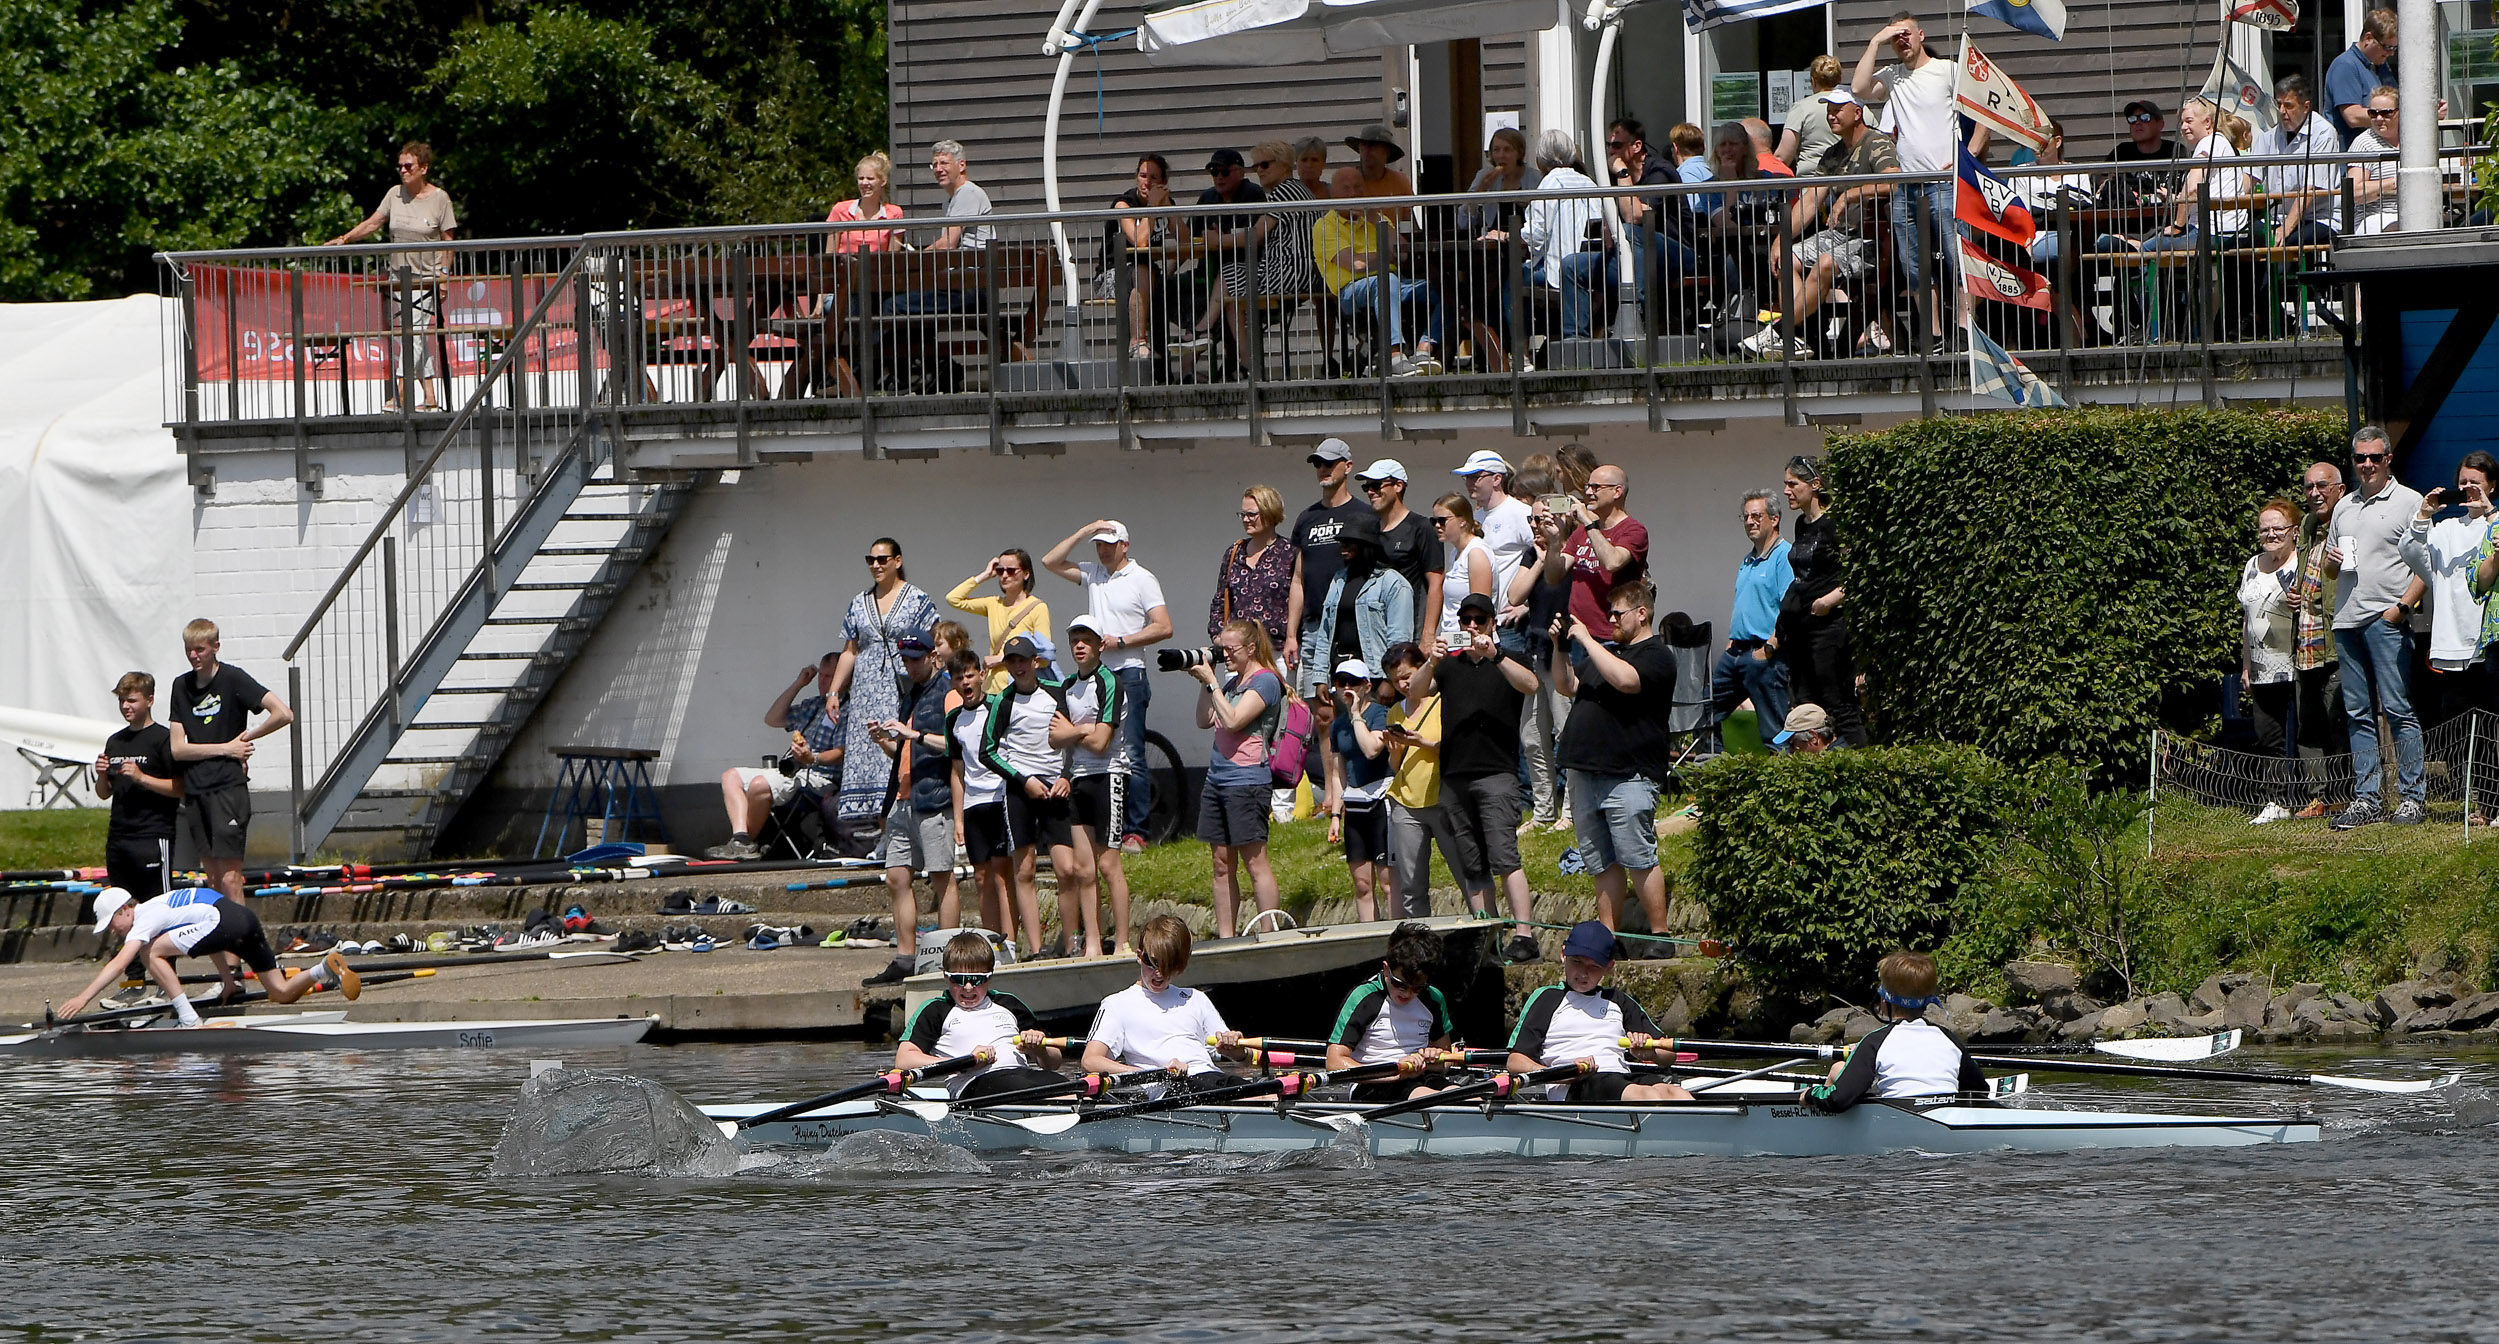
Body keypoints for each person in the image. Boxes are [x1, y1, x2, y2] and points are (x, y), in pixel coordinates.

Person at [1406, 594, 1541, 961]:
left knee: (1505, 857)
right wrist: (1431, 661)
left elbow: (1531, 685)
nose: (1471, 627)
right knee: (1472, 863)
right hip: (1454, 777)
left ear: (1492, 623)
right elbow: (1414, 693)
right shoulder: (1449, 667)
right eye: (1465, 620)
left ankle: (1524, 934)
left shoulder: (1509, 660)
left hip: (1496, 773)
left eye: (1479, 620)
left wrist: (1495, 654)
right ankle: (1487, 933)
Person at [1552, 578, 1675, 939]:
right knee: (1601, 863)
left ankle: (1660, 933)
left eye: (1618, 613)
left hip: (1628, 775)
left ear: (1641, 613)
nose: (1611, 620)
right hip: (1585, 774)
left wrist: (1587, 639)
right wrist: (1560, 647)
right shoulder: (1608, 655)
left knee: (1638, 857)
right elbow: (1567, 686)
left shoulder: (1656, 655)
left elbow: (1626, 682)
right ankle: (1608, 938)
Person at [1042, 518, 1171, 851]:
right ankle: (1107, 825)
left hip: (1128, 671)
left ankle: (1137, 831)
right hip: (1096, 675)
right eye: (1098, 545)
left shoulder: (1142, 578)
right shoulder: (1094, 573)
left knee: (1131, 751)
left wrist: (1123, 641)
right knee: (1095, 746)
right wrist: (1084, 530)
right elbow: (1050, 562)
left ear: (1124, 546)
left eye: (1108, 545)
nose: (1101, 551)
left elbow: (1163, 626)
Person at [58, 887, 358, 1026]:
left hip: (221, 923)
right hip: (243, 919)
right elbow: (212, 936)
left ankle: (189, 1020)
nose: (113, 931)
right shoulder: (163, 906)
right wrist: (228, 980)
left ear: (125, 909)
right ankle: (322, 968)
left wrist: (81, 999)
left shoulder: (145, 917)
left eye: (112, 923)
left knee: (149, 951)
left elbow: (120, 963)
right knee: (280, 993)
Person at [2324, 426, 2428, 829]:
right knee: (2357, 713)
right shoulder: (2344, 507)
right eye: (2359, 458)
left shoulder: (2409, 502)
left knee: (2398, 709)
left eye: (2374, 457)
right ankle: (2367, 798)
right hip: (2347, 619)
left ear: (2388, 460)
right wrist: (2331, 559)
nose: (2366, 465)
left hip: (2385, 620)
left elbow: (2426, 564)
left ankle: (2412, 798)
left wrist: (2400, 609)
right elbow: (2333, 570)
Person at [1753, 88, 1898, 361]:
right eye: (1828, 110)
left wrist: (1850, 194)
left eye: (1837, 109)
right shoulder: (1832, 154)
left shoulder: (1876, 143)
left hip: (1874, 240)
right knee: (1787, 258)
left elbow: (1893, 181)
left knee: (1825, 264)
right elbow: (1810, 201)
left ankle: (1780, 330)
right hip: (1840, 235)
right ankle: (1801, 338)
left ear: (1857, 113)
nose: (1831, 115)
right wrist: (1781, 238)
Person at [1855, 12, 1967, 349]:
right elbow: (1859, 88)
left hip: (1946, 182)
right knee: (1914, 264)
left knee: (1957, 257)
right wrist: (1876, 39)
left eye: (1905, 34)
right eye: (1894, 38)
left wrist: (1966, 158)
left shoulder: (1947, 69)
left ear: (1920, 34)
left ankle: (1964, 330)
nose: (1901, 41)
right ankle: (1931, 334)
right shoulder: (1892, 76)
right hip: (1907, 186)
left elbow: (1981, 113)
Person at [978, 634, 1090, 962]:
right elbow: (988, 751)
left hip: (1056, 787)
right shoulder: (1003, 700)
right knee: (1024, 870)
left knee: (1066, 868)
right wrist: (1022, 780)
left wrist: (1067, 777)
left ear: (1035, 662)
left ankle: (1071, 943)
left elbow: (1076, 738)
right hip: (1020, 791)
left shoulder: (1058, 693)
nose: (1018, 667)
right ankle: (1036, 949)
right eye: (1012, 661)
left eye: (1023, 660)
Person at [166, 619, 293, 905]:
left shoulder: (233, 679)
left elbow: (283, 713)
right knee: (211, 876)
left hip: (226, 787)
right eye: (189, 650)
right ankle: (222, 944)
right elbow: (177, 749)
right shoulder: (181, 686)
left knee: (229, 877)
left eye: (200, 649)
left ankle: (241, 940)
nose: (194, 656)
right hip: (197, 788)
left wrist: (247, 738)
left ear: (215, 648)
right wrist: (226, 748)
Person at [323, 141, 456, 412]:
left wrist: (443, 275)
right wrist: (345, 239)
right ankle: (430, 398)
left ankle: (400, 393)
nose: (403, 171)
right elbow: (374, 222)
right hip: (398, 278)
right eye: (400, 166)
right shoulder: (394, 194)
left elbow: (448, 241)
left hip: (426, 279)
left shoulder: (439, 199)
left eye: (409, 166)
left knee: (413, 333)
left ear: (424, 168)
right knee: (411, 336)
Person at [827, 538, 941, 848]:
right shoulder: (859, 601)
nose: (876, 565)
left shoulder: (917, 599)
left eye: (882, 559)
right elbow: (850, 650)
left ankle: (903, 832)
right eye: (871, 559)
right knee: (871, 751)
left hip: (901, 684)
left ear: (897, 561)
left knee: (897, 751)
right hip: (866, 688)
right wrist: (834, 691)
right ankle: (883, 834)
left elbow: (933, 643)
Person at [863, 629, 960, 986]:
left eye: (916, 658)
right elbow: (904, 750)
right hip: (903, 798)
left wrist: (913, 734)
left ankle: (951, 955)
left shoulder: (947, 692)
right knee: (897, 877)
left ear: (933, 656)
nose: (910, 665)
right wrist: (885, 741)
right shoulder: (911, 694)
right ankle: (906, 957)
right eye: (906, 659)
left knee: (940, 877)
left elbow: (954, 744)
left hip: (934, 799)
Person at [1504, 920, 1691, 1101]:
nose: (1583, 974)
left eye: (1594, 967)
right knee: (1644, 1094)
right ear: (1563, 954)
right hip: (1573, 1086)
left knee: (1673, 1092)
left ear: (1609, 967)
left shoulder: (1618, 1001)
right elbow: (1515, 1062)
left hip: (1620, 1079)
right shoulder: (1547, 998)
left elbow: (1669, 1055)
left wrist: (1651, 1053)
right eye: (1576, 962)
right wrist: (1562, 1074)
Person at [1191, 618, 1288, 938]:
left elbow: (1232, 720)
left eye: (1230, 650)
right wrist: (1208, 681)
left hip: (1247, 782)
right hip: (1217, 779)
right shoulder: (1231, 684)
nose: (1225, 655)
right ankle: (1226, 937)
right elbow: (1204, 720)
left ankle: (1270, 932)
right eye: (1221, 649)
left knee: (1254, 862)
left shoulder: (1266, 682)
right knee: (1221, 863)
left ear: (1251, 648)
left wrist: (1213, 684)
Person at [1804, 950, 1987, 1111]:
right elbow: (1980, 1090)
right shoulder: (1949, 1038)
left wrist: (1810, 1094)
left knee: (1837, 1069)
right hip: (1946, 1117)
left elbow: (1838, 1099)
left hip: (1899, 1122)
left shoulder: (1874, 1042)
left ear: (1885, 1001)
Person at [1082, 913, 1247, 1088]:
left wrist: (1238, 1051)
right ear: (1139, 956)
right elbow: (1090, 1061)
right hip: (1166, 1088)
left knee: (1268, 1093)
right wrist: (1153, 1073)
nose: (1159, 974)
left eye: (1169, 966)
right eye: (1153, 963)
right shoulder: (1117, 1004)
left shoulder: (1196, 998)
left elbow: (1244, 1060)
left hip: (1212, 1078)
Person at [708, 652, 845, 859]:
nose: (824, 681)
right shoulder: (812, 705)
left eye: (830, 677)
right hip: (793, 771)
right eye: (822, 676)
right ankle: (741, 840)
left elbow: (843, 753)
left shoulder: (847, 709)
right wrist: (799, 684)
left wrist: (813, 758)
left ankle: (744, 845)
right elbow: (772, 719)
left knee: (759, 785)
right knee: (730, 776)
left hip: (821, 776)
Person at [897, 931, 1065, 1098]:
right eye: (959, 980)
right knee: (1023, 1086)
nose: (968, 987)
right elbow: (904, 1060)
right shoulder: (936, 1010)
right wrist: (965, 1062)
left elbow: (1054, 1062)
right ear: (946, 977)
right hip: (973, 1084)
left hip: (1023, 1076)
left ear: (989, 977)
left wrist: (1040, 1050)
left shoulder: (1009, 1003)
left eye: (977, 979)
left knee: (1068, 1086)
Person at [2399, 452, 2498, 731]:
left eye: (2475, 483)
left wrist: (2489, 512)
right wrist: (2423, 516)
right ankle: (2461, 778)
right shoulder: (2446, 529)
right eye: (2463, 482)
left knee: (2491, 731)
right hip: (2454, 644)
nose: (2468, 489)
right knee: (2457, 729)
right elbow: (2410, 553)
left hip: (2490, 643)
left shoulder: (2496, 523)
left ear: (2491, 486)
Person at [1773, 455, 1866, 748]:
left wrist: (1830, 600)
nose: (1787, 490)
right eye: (1785, 484)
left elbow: (1859, 573)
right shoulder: (1802, 525)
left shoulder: (1835, 524)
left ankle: (1861, 762)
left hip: (1829, 629)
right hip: (1802, 629)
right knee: (1804, 701)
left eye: (1793, 484)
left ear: (1814, 485)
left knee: (1836, 701)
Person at [1315, 165, 1444, 376]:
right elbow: (1355, 266)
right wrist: (1385, 256)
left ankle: (1424, 350)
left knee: (1444, 289)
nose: (1353, 193)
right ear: (1333, 194)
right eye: (1346, 188)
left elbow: (1401, 254)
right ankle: (1395, 355)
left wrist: (1375, 220)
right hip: (1350, 292)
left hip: (1392, 283)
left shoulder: (1377, 218)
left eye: (1358, 187)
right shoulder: (1324, 225)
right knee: (1387, 279)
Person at [1054, 618, 1133, 955]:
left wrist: (1074, 731)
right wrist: (1079, 731)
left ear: (1100, 645)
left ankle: (1125, 941)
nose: (1080, 646)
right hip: (1079, 779)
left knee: (1107, 864)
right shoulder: (1068, 685)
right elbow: (1054, 737)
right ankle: (1092, 942)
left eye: (1087, 640)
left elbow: (1102, 742)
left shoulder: (1109, 682)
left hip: (1109, 774)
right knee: (1084, 868)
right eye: (1075, 640)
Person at [1324, 921, 1458, 1101]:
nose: (1407, 994)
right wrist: (1397, 1071)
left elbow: (1448, 1059)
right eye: (1400, 984)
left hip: (1421, 1077)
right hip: (1373, 1083)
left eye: (1417, 988)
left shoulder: (1433, 999)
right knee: (1429, 1099)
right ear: (1387, 969)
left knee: (1471, 1099)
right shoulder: (1364, 997)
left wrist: (1435, 1057)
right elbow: (1334, 1063)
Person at [2287, 460, 2353, 817]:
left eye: (2322, 486)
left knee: (2338, 719)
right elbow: (2306, 577)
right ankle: (2319, 797)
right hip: (2305, 640)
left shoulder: (2348, 524)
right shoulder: (2308, 527)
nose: (2314, 493)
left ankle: (2345, 793)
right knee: (2308, 723)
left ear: (2339, 489)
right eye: (2309, 487)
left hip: (2334, 639)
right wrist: (2294, 595)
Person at [942, 645, 1019, 944]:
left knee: (1002, 873)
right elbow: (957, 771)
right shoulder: (953, 721)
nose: (966, 683)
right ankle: (990, 941)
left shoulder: (997, 707)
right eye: (959, 678)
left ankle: (1009, 941)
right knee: (981, 877)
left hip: (999, 798)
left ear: (982, 675)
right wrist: (958, 819)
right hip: (973, 804)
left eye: (971, 676)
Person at [1286, 440, 1374, 697]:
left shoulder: (1365, 514)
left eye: (1329, 463)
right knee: (1317, 710)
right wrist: (1292, 634)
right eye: (1318, 464)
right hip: (1314, 628)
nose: (1323, 469)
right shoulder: (1306, 518)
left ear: (1347, 467)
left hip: (1352, 626)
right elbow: (1298, 579)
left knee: (1354, 704)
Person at [2240, 500, 2305, 825]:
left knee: (2302, 734)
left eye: (2278, 528)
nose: (2271, 534)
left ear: (2294, 531)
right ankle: (2278, 800)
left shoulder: (2301, 564)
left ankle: (2311, 798)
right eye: (2265, 529)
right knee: (2268, 737)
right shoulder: (2252, 565)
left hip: (2298, 664)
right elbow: (2247, 620)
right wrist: (2246, 665)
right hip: (2262, 668)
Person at [1512, 130, 1611, 342]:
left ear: (1540, 160)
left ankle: (1519, 346)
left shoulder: (1549, 184)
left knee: (1510, 277)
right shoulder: (1589, 183)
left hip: (1557, 270)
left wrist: (1505, 235)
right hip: (1590, 268)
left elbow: (1535, 236)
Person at [94, 672, 181, 904]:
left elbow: (180, 788)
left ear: (149, 700)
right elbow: (104, 793)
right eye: (121, 700)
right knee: (123, 906)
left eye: (132, 700)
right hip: (119, 836)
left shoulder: (163, 739)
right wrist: (102, 776)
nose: (125, 706)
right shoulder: (115, 741)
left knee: (158, 905)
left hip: (152, 835)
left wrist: (142, 778)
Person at [1714, 490, 1794, 742]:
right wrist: (1730, 643)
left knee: (1775, 731)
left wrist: (1770, 647)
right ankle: (1709, 768)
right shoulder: (1748, 560)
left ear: (1775, 518)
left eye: (1757, 516)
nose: (1750, 522)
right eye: (1746, 516)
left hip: (1764, 655)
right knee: (1705, 713)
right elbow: (1744, 604)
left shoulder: (1784, 556)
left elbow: (1790, 609)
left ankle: (1780, 778)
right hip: (1735, 654)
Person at [1323, 658, 1397, 920]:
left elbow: (1371, 749)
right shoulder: (1337, 726)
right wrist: (1335, 814)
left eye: (1352, 683)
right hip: (1355, 806)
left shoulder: (1379, 714)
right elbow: (1337, 772)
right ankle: (1369, 936)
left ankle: (1395, 934)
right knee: (1362, 884)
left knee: (1388, 881)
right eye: (1341, 683)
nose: (1346, 689)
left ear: (1366, 686)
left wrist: (1356, 715)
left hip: (1380, 801)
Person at [1543, 464, 1649, 643]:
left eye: (1596, 487)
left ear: (1617, 491)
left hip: (1612, 635)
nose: (1589, 493)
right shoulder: (1582, 532)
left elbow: (1613, 562)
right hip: (1578, 633)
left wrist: (1586, 520)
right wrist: (1554, 542)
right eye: (1588, 487)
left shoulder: (1634, 530)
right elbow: (1554, 577)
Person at [1319, 511, 1417, 676]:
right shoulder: (1338, 580)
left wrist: (1389, 680)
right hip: (1339, 674)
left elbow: (1399, 640)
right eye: (1342, 542)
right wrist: (1320, 677)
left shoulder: (1393, 583)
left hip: (1375, 676)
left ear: (1366, 545)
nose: (1343, 547)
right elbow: (1324, 633)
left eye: (1349, 542)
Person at [1357, 459, 1444, 641]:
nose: (1371, 492)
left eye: (1376, 485)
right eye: (1367, 488)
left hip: (1409, 631)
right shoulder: (1368, 529)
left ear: (1398, 486)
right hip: (1374, 631)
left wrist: (1427, 636)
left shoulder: (1421, 527)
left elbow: (1436, 583)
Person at [947, 549, 1051, 696]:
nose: (1004, 575)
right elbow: (953, 599)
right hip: (993, 690)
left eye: (1011, 570)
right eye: (1000, 571)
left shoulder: (1037, 607)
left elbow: (1045, 655)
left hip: (1019, 690)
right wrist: (985, 575)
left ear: (1026, 574)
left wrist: (1002, 659)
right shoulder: (993, 603)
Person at [2257, 74, 2344, 248]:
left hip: (2319, 218)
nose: (2281, 111)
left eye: (2288, 105)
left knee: (2285, 243)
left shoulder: (2323, 133)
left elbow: (2310, 189)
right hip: (2277, 217)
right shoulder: (2270, 135)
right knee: (2240, 240)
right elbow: (2249, 176)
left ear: (2305, 107)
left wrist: (2286, 228)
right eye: (2279, 104)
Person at [1107, 152, 1179, 363]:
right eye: (1142, 175)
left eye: (1153, 178)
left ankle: (1170, 360)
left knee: (1159, 281)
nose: (1146, 182)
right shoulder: (1124, 204)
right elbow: (1140, 241)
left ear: (1164, 182)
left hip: (1148, 273)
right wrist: (1153, 209)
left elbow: (1185, 239)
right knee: (1143, 272)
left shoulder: (1163, 202)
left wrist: (1167, 206)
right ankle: (1137, 342)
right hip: (1114, 273)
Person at [1211, 483, 1297, 656]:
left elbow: (1301, 597)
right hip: (1239, 652)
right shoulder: (1234, 552)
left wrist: (1292, 638)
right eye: (1242, 514)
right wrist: (1218, 636)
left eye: (1251, 514)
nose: (1245, 519)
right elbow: (1220, 600)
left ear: (1269, 512)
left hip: (1278, 652)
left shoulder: (1290, 552)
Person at [1247, 140, 1323, 309]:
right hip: (1303, 273)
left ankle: (1203, 330)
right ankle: (1204, 329)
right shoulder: (1298, 189)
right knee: (1231, 284)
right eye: (1256, 167)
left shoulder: (1284, 192)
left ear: (1283, 165)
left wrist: (1216, 240)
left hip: (1288, 273)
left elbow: (1254, 235)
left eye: (1264, 165)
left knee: (1227, 277)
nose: (1259, 171)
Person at [1432, 492, 1496, 654]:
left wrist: (1467, 649)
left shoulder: (1476, 553)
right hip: (1454, 645)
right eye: (1434, 521)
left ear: (1462, 521)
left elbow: (1481, 612)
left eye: (1442, 521)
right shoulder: (1456, 553)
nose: (1437, 526)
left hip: (1471, 649)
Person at [2326, 9, 2399, 145]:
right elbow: (2352, 116)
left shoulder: (2381, 66)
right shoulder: (2345, 65)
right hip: (2352, 158)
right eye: (2386, 47)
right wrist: (2400, 116)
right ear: (2368, 38)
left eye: (2394, 48)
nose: (2391, 53)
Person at [2102, 99, 2183, 210]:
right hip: (2127, 221)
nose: (2138, 123)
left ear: (2160, 125)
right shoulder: (2121, 152)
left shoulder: (2177, 151)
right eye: (2132, 119)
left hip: (2170, 221)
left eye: (2145, 118)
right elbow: (2102, 181)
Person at [2345, 86, 2403, 237]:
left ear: (2400, 112)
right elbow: (2355, 192)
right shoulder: (2363, 143)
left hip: (2413, 214)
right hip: (2374, 217)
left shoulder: (2413, 139)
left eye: (2386, 113)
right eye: (2373, 113)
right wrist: (2394, 183)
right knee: (2400, 228)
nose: (2378, 119)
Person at [826, 151, 906, 253]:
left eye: (870, 178)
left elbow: (892, 259)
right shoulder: (839, 210)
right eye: (861, 178)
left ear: (883, 181)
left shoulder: (895, 213)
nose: (864, 183)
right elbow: (829, 256)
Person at [1778, 56, 1847, 171]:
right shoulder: (1856, 107)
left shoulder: (1801, 108)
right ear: (1839, 79)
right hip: (1849, 181)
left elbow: (1783, 156)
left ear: (1813, 81)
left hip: (1811, 182)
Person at [1342, 124, 1416, 204]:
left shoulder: (1400, 181)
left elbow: (1409, 215)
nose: (1367, 150)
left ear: (1387, 152)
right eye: (1363, 145)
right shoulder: (1346, 181)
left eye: (1373, 145)